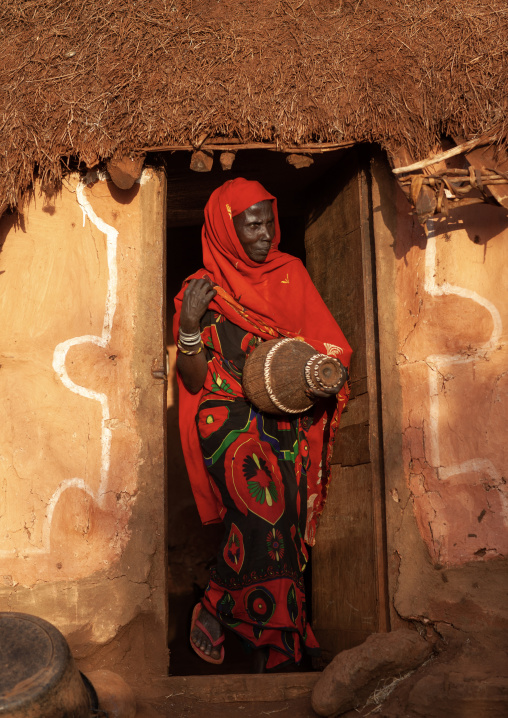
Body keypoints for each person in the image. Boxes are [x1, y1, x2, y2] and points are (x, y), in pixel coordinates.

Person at [174, 177, 352, 671]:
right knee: (259, 512)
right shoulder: (200, 291)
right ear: (226, 230)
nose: (263, 234)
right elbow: (191, 380)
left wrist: (319, 373)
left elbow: (328, 345)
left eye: (268, 222)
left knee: (288, 530)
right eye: (251, 225)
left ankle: (279, 643)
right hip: (226, 417)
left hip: (283, 418)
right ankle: (216, 604)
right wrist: (189, 328)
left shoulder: (290, 272)